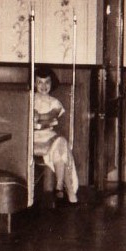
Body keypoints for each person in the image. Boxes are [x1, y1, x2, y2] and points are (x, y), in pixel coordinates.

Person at [32, 67, 79, 204]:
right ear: (34, 84)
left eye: (47, 82)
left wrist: (38, 116)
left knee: (61, 144)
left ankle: (59, 185)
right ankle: (68, 190)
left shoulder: (54, 102)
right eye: (39, 82)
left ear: (52, 84)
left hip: (48, 136)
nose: (43, 86)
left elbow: (51, 115)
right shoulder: (29, 98)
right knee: (62, 147)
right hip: (32, 137)